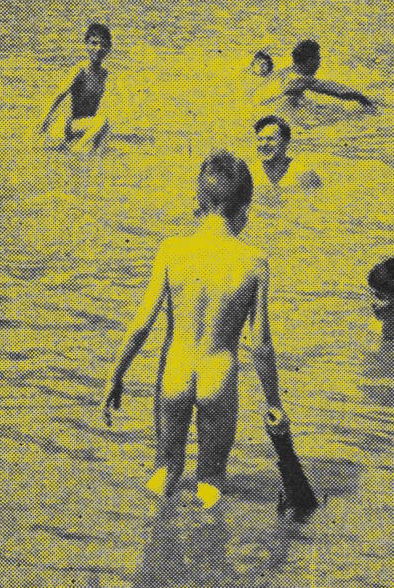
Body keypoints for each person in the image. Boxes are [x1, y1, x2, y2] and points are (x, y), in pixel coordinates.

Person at [102, 151, 285, 509]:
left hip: (175, 375)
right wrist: (274, 402)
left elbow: (141, 324)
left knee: (164, 472)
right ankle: (209, 539)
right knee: (211, 482)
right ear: (245, 209)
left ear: (198, 201)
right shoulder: (254, 262)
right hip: (219, 378)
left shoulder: (172, 250)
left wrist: (116, 375)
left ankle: (153, 534)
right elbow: (261, 345)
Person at [39, 22, 112, 152]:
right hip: (65, 126)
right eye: (94, 43)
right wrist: (43, 121)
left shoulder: (104, 74)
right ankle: (76, 152)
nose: (98, 48)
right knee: (102, 122)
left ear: (108, 48)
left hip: (81, 126)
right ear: (86, 44)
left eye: (103, 44)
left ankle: (79, 153)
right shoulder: (80, 70)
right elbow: (58, 95)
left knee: (102, 142)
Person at [253, 38, 374, 109]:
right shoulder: (301, 79)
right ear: (311, 60)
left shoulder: (285, 73)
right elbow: (339, 91)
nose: (320, 62)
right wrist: (364, 100)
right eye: (318, 58)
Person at [252, 115, 321, 189]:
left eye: (270, 139)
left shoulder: (304, 173)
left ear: (286, 142)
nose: (264, 144)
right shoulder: (251, 173)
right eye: (260, 139)